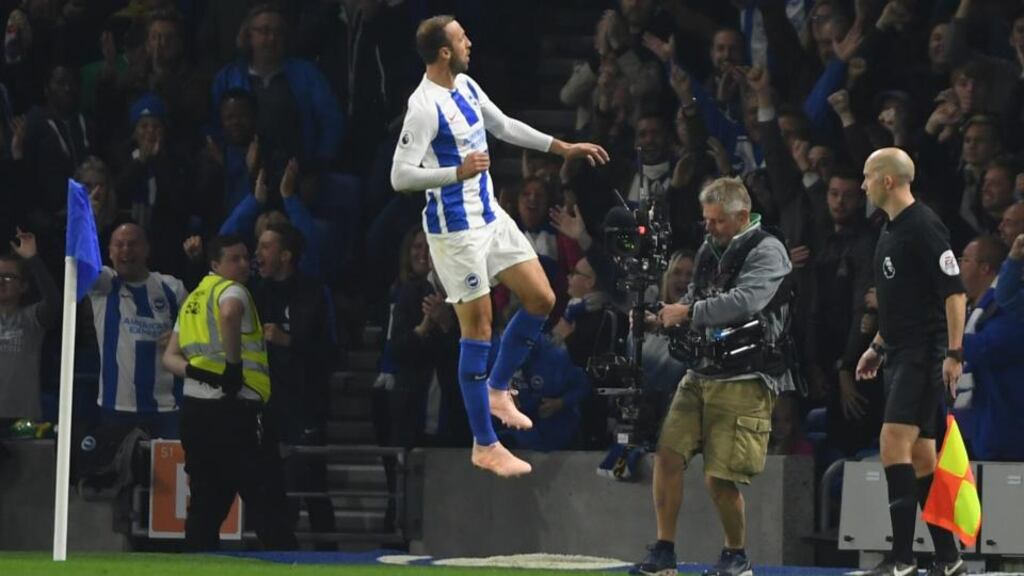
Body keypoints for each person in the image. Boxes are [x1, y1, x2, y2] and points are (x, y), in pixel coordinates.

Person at [390, 15, 609, 477]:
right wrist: (457, 172)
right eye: (461, 36)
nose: (470, 40)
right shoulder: (423, 106)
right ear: (444, 51)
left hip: (491, 217)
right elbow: (400, 175)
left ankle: (497, 388)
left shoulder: (466, 87)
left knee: (542, 297)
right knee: (479, 328)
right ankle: (484, 443)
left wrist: (563, 147)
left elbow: (505, 126)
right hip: (455, 231)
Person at [632, 177, 794, 576]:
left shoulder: (768, 251)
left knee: (720, 477)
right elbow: (695, 297)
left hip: (746, 375)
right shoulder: (710, 247)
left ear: (742, 216)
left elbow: (745, 302)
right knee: (667, 455)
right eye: (706, 220)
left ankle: (736, 555)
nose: (709, 228)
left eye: (718, 221)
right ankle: (664, 550)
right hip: (702, 370)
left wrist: (685, 314)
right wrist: (659, 320)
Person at [852, 148, 967, 576]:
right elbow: (904, 303)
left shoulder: (923, 226)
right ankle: (949, 558)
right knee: (921, 457)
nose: (862, 185)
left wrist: (954, 352)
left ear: (887, 180)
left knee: (891, 443)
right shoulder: (889, 231)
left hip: (924, 353)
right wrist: (878, 347)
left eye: (866, 177)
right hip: (899, 352)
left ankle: (902, 559)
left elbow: (954, 292)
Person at [162, 234, 296, 551]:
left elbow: (169, 357)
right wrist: (232, 369)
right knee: (267, 503)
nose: (243, 264)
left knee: (205, 508)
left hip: (197, 413)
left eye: (245, 257)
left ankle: (196, 566)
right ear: (215, 265)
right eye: (234, 259)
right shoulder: (232, 290)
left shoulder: (193, 301)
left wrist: (196, 372)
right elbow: (230, 313)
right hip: (237, 411)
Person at [252, 222, 336, 545]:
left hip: (305, 404)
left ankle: (329, 554)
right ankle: (275, 550)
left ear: (285, 255)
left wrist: (289, 341)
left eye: (265, 247)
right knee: (269, 484)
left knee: (313, 485)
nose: (258, 254)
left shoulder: (313, 292)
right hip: (265, 403)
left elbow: (331, 350)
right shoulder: (255, 292)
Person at [88, 223, 187, 439]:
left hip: (167, 407)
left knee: (171, 473)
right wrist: (90, 218)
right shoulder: (104, 284)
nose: (126, 250)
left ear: (146, 249)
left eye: (133, 244)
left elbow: (200, 337)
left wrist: (183, 339)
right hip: (117, 407)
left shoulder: (172, 287)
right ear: (110, 252)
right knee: (119, 473)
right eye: (119, 245)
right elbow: (81, 261)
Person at [956, 235, 1024, 461]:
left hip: (1005, 428)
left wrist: (945, 339)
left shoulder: (1006, 308)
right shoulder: (967, 307)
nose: (958, 265)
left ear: (984, 268)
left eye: (965, 260)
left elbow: (990, 347)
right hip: (975, 425)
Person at [0, 230, 58, 429]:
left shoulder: (32, 317)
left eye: (8, 277)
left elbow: (55, 303)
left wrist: (33, 260)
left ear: (23, 286)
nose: (1, 282)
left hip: (23, 418)